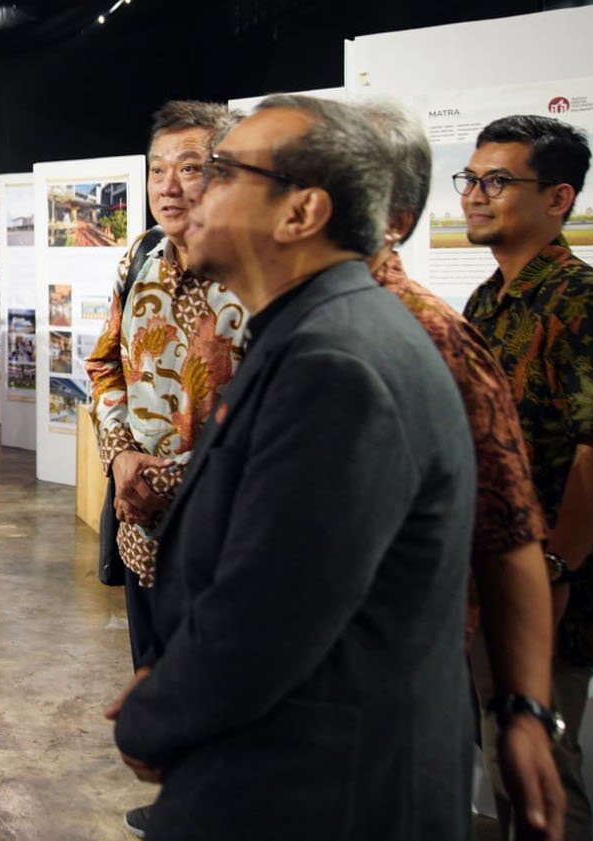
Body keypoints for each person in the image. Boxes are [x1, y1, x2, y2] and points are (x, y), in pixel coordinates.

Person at [106, 95, 477, 839]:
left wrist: (153, 717)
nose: (188, 191)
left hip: (312, 791)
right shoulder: (318, 334)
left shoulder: (335, 364)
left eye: (219, 171)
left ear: (300, 214)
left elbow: (266, 616)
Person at [359, 101, 564, 841]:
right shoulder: (465, 306)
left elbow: (516, 516)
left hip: (405, 676)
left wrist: (525, 706)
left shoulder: (428, 330)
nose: (474, 195)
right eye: (470, 179)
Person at [459, 114, 593, 841]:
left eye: (498, 181)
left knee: (541, 774)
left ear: (558, 199)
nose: (474, 194)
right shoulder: (488, 301)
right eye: (471, 178)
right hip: (495, 576)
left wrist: (554, 567)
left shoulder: (586, 303)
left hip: (557, 587)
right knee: (504, 760)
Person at [84, 100, 245, 839]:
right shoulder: (141, 254)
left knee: (225, 679)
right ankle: (180, 798)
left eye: (192, 167)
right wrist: (120, 458)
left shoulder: (254, 270)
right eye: (158, 168)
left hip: (229, 525)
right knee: (154, 668)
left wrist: (169, 475)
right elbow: (104, 363)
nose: (170, 184)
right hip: (141, 518)